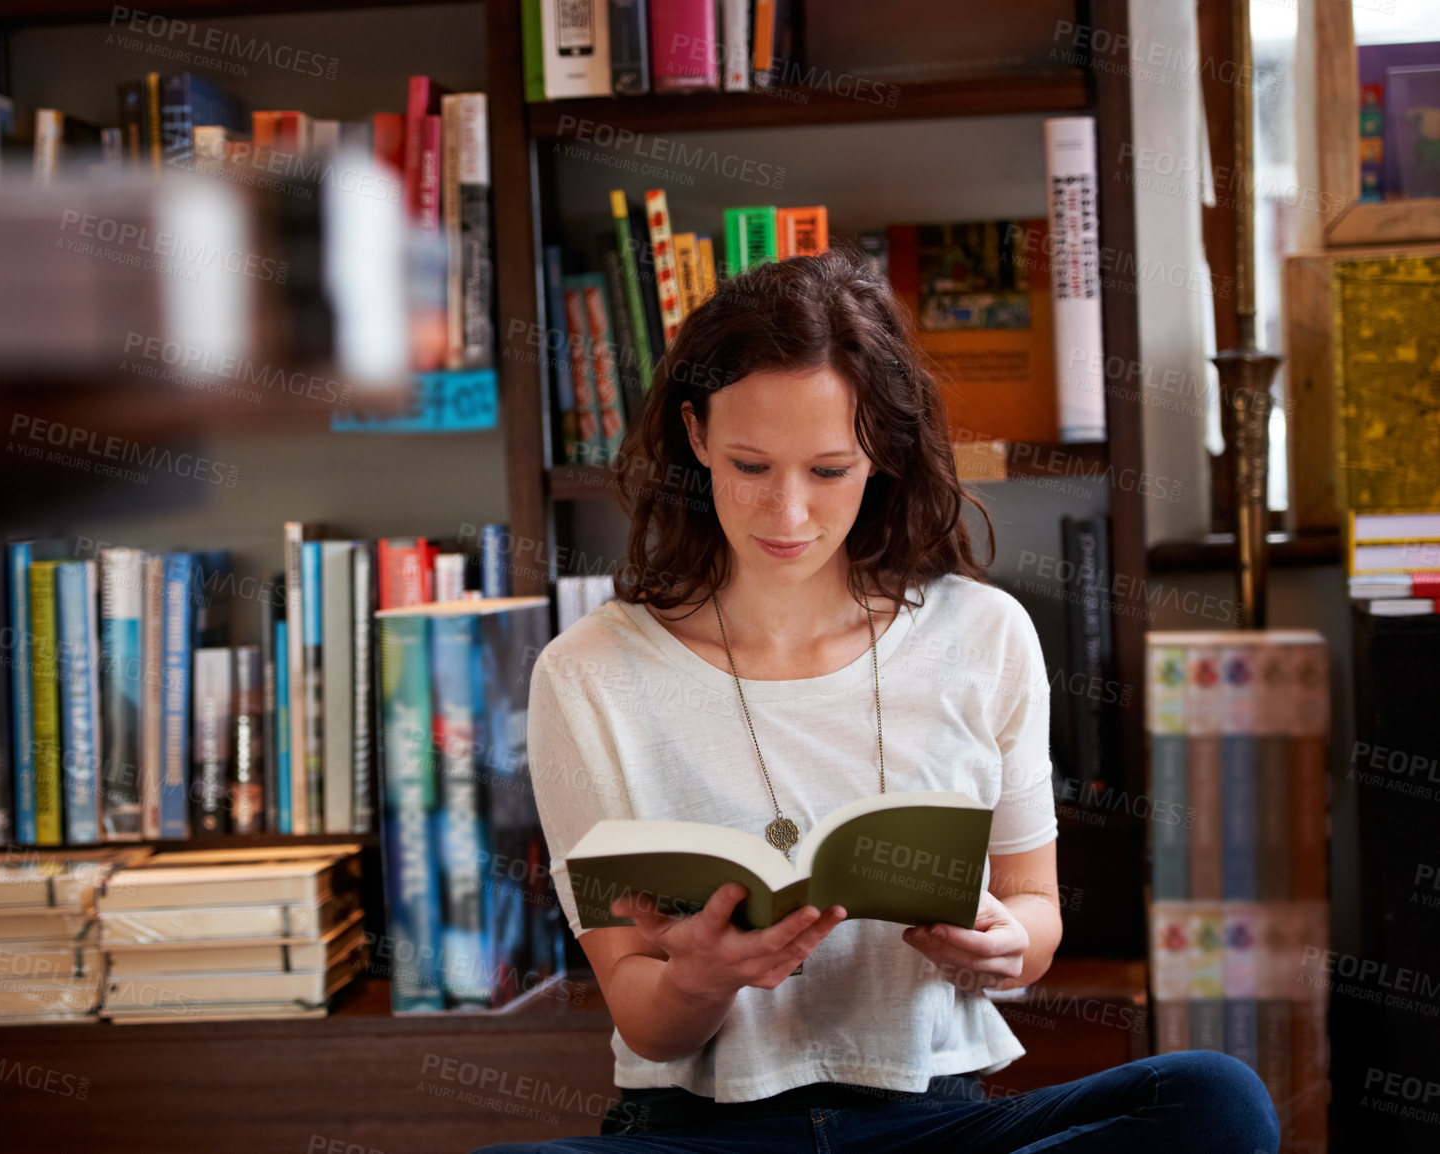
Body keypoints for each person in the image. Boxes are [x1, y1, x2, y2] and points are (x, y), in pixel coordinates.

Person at [475, 248, 1278, 1153]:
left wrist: (1006, 946)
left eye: (828, 471)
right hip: (703, 1133)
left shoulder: (985, 635)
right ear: (696, 435)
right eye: (750, 464)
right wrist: (699, 979)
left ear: (881, 455)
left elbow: (1036, 914)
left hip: (931, 1119)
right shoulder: (589, 673)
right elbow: (644, 1019)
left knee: (1216, 1098)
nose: (787, 513)